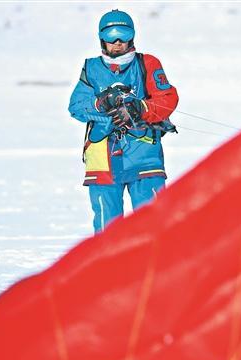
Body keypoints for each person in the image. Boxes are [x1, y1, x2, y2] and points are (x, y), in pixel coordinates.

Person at [68, 9, 179, 232]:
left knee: (154, 225)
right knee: (107, 229)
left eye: (124, 37)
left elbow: (168, 98)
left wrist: (141, 108)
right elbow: (76, 107)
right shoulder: (91, 68)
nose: (118, 43)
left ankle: (156, 266)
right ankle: (108, 267)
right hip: (102, 159)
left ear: (133, 37)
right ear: (102, 39)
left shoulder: (147, 63)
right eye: (112, 38)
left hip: (144, 158)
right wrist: (101, 104)